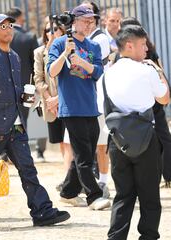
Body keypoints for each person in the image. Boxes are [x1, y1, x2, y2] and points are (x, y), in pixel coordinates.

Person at [0, 13, 71, 229]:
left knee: (28, 169)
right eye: (2, 26)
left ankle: (42, 211)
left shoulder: (15, 57)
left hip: (16, 124)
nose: (8, 29)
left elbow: (14, 89)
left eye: (10, 25)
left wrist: (26, 97)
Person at [105, 25, 170, 240]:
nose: (146, 50)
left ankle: (116, 236)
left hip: (117, 140)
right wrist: (158, 69)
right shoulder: (146, 70)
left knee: (123, 195)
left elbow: (101, 106)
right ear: (130, 45)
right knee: (150, 193)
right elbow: (164, 98)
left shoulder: (107, 74)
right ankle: (148, 236)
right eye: (143, 45)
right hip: (145, 138)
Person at [48, 5, 110, 210]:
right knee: (85, 155)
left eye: (91, 20)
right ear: (74, 21)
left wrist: (83, 63)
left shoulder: (93, 46)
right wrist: (65, 53)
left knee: (86, 152)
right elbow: (52, 72)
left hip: (91, 106)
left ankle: (68, 192)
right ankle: (94, 196)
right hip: (71, 108)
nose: (89, 24)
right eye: (85, 20)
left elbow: (99, 73)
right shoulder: (59, 43)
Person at [119, 17, 171, 188]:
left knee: (159, 137)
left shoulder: (132, 51)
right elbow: (161, 69)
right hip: (152, 96)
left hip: (148, 98)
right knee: (162, 137)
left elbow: (159, 70)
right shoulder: (146, 48)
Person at [33, 19, 74, 191]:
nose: (52, 31)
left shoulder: (70, 50)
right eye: (48, 29)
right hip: (51, 104)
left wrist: (59, 99)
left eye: (56, 28)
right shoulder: (39, 52)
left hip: (69, 101)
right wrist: (50, 99)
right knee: (61, 142)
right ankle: (68, 176)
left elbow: (74, 76)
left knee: (70, 141)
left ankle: (69, 178)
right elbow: (38, 79)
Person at [5, 7, 47, 161]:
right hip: (27, 88)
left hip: (4, 88)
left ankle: (5, 152)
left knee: (5, 118)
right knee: (23, 119)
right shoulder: (29, 37)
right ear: (20, 18)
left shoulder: (0, 36)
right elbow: (36, 64)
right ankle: (20, 151)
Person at [82, 0, 111, 198]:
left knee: (101, 145)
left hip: (99, 97)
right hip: (87, 96)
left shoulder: (99, 39)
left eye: (88, 13)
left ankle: (103, 182)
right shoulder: (84, 38)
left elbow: (90, 67)